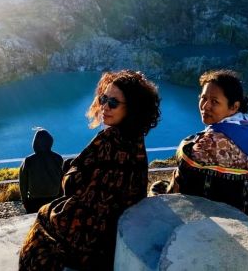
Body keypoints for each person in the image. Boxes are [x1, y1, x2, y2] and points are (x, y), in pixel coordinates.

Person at [19, 70, 161, 271]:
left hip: (89, 236)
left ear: (133, 109)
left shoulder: (109, 140)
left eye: (113, 103)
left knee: (43, 221)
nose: (104, 106)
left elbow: (77, 188)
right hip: (114, 231)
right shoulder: (135, 141)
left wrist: (70, 171)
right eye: (104, 98)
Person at [163, 69, 248, 225]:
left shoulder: (209, 144)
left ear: (233, 106)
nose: (205, 106)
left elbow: (185, 172)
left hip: (213, 216)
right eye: (203, 98)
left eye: (214, 101)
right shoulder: (247, 125)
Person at [19, 128, 64, 214]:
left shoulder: (29, 160)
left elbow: (23, 184)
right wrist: (61, 197)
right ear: (50, 141)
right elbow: (62, 179)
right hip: (54, 198)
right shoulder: (58, 158)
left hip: (34, 200)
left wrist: (24, 200)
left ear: (35, 143)